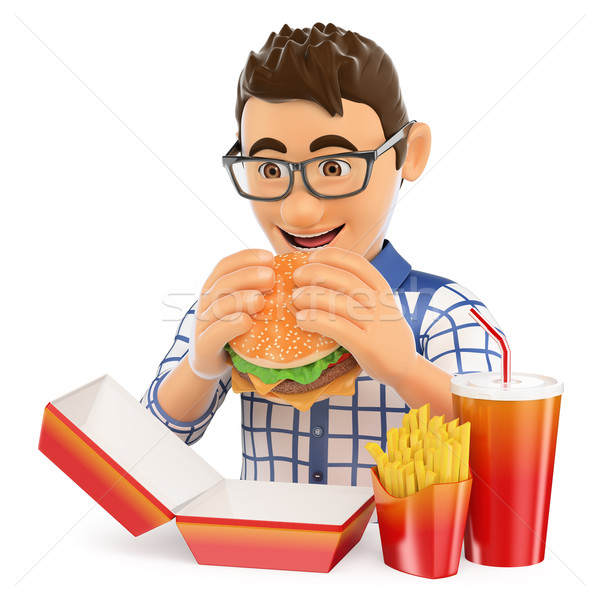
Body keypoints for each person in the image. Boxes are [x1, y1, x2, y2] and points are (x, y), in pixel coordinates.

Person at [141, 23, 502, 488]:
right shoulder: (231, 303)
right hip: (262, 552)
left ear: (409, 154)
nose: (299, 210)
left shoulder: (447, 315)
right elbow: (143, 453)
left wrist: (408, 371)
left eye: (333, 167)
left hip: (393, 556)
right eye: (269, 169)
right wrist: (197, 370)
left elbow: (508, 451)